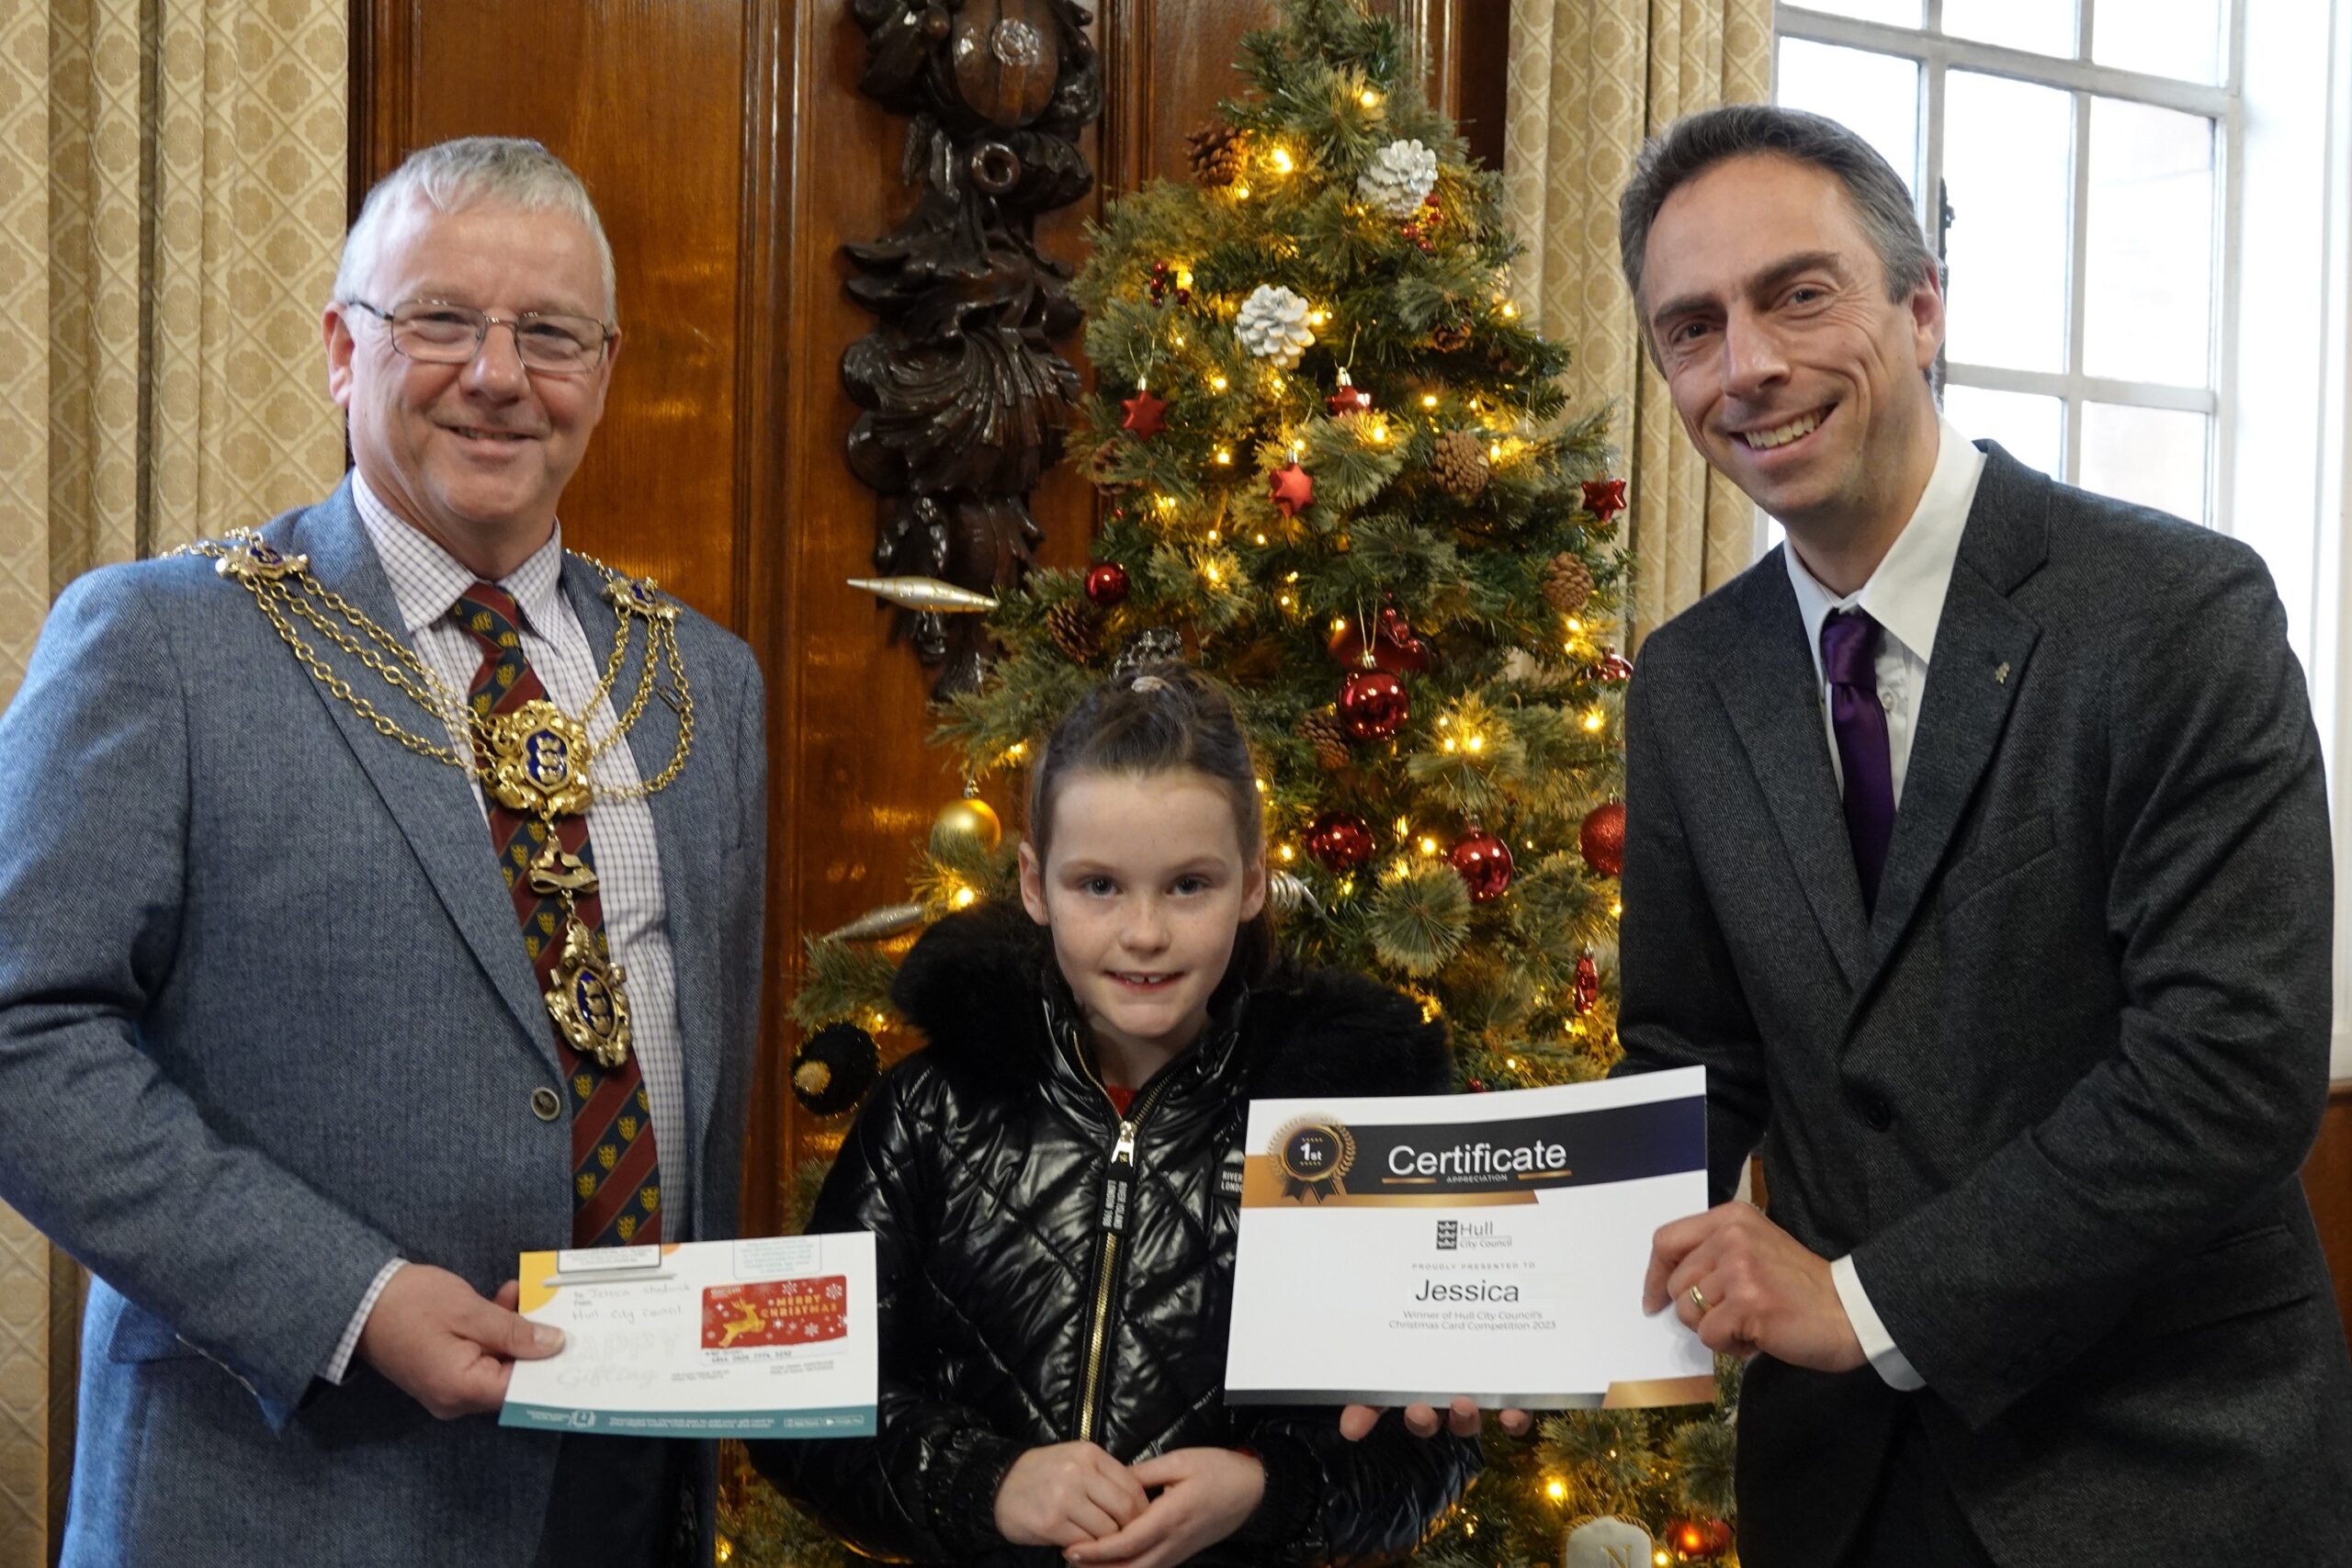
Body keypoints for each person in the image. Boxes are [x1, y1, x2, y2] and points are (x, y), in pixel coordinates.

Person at [0, 137, 768, 1565]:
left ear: (600, 371)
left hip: (617, 1497)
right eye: (439, 320)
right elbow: (18, 1027)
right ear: (343, 351)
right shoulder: (164, 640)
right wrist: (345, 1295)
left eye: (548, 333)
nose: (495, 372)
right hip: (280, 1493)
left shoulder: (701, 683)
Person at [1604, 104, 2352, 1563]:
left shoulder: (2178, 613)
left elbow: (2231, 1065)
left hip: (2162, 1470)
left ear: (1924, 306)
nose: (1748, 365)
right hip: (1844, 1495)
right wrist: (1494, 1303)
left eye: (1797, 294)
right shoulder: (1692, 681)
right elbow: (1698, 1063)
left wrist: (1868, 1300)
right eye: (1692, 327)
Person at [753, 662, 1478, 1567]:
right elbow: (795, 1405)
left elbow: (1427, 1451)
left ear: (1251, 883)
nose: (1143, 933)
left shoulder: (1339, 1130)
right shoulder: (930, 1114)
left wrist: (1266, 1491)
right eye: (1098, 886)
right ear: (1033, 883)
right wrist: (983, 1481)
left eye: (1188, 886)